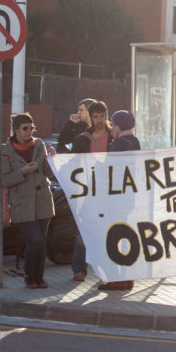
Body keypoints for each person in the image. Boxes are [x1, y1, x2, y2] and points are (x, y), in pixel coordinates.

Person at [1, 113, 56, 289]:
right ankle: (29, 276)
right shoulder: (6, 151)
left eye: (31, 128)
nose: (29, 132)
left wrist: (52, 159)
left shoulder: (39, 145)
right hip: (22, 203)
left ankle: (40, 277)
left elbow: (50, 173)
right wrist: (23, 171)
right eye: (25, 128)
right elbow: (4, 180)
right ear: (16, 130)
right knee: (35, 239)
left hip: (42, 199)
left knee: (42, 240)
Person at [97, 110, 141, 291]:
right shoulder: (134, 141)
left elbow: (110, 170)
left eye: (113, 124)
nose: (111, 127)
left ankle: (117, 278)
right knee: (123, 235)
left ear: (119, 126)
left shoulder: (119, 144)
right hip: (128, 196)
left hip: (117, 197)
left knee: (114, 236)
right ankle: (126, 276)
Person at [69, 100, 112, 281]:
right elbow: (73, 163)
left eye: (102, 116)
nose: (100, 120)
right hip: (88, 191)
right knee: (84, 230)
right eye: (96, 117)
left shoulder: (114, 138)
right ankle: (79, 269)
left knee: (107, 230)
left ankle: (106, 268)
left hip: (109, 191)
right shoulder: (82, 139)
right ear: (91, 118)